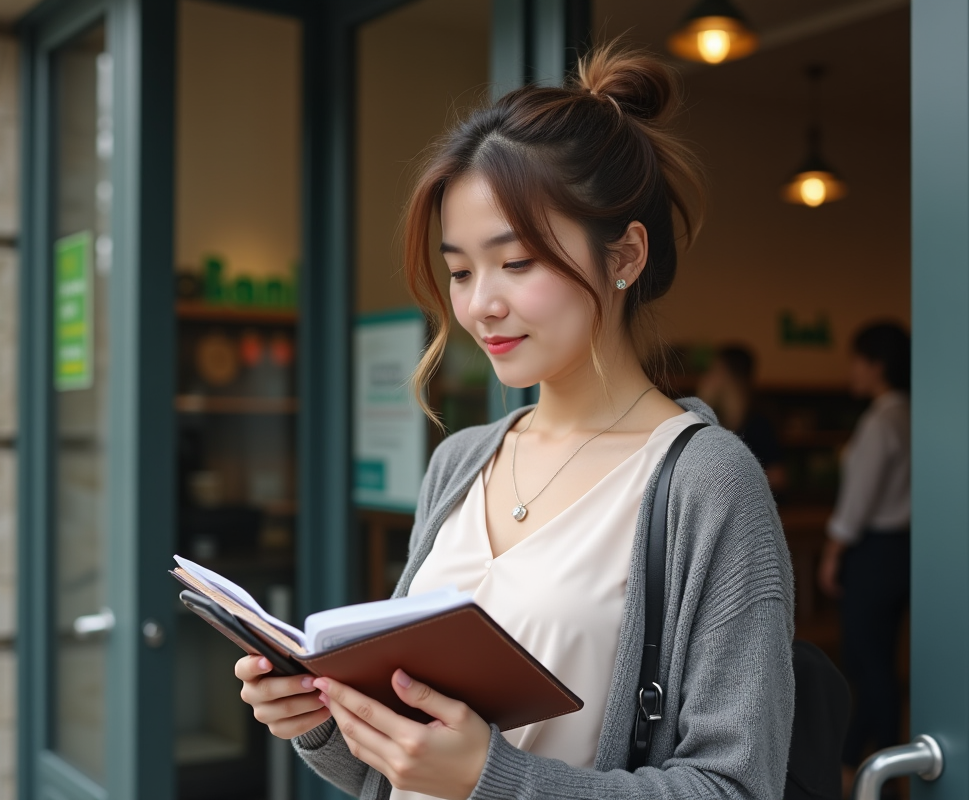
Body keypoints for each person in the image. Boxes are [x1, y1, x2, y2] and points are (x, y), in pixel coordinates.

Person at [236, 44, 795, 800]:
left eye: (518, 262)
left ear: (625, 254)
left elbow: (735, 787)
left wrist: (492, 779)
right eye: (461, 271)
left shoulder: (705, 481)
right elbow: (404, 766)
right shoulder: (461, 462)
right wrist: (320, 719)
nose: (478, 305)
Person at [817, 322, 911, 783]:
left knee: (865, 662)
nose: (850, 370)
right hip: (904, 550)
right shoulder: (912, 415)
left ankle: (869, 763)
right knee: (881, 659)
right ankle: (874, 762)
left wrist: (834, 552)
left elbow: (858, 500)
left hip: (873, 551)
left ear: (876, 365)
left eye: (856, 360)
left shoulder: (880, 421)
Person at [697, 345, 787, 491]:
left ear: (728, 376)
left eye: (713, 371)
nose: (705, 379)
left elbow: (777, 477)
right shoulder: (710, 422)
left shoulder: (759, 424)